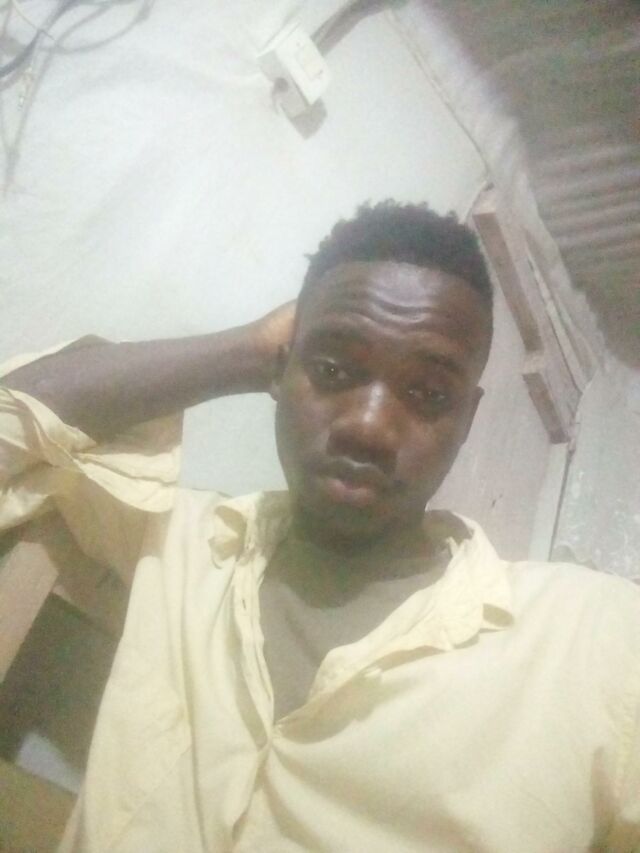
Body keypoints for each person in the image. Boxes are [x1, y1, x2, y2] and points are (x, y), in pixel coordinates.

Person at [1, 202, 639, 852]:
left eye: (428, 393)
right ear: (281, 371)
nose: (369, 425)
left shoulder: (598, 638)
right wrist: (248, 350)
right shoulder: (182, 541)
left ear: (467, 420)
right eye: (332, 371)